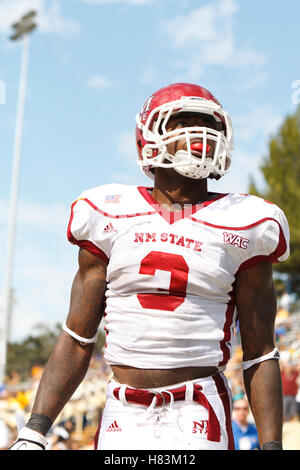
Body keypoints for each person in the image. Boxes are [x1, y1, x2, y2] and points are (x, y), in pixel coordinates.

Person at [10, 83, 290, 451]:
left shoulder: (246, 220)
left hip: (198, 409)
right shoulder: (109, 210)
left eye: (208, 123)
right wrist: (35, 431)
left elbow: (259, 352)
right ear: (149, 136)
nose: (199, 133)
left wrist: (271, 446)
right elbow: (78, 338)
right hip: (122, 412)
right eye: (182, 122)